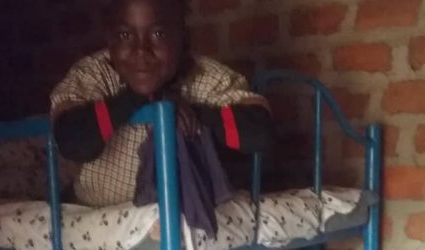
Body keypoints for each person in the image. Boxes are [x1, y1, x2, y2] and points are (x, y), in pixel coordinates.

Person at [50, 0, 272, 208]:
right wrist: (140, 98)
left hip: (176, 213)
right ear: (110, 41)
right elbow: (73, 143)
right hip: (98, 213)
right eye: (125, 35)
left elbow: (260, 133)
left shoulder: (205, 75)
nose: (140, 50)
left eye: (158, 34)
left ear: (183, 39)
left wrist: (194, 113)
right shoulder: (94, 74)